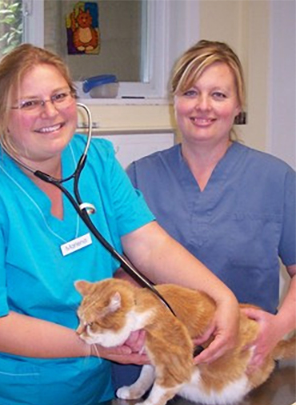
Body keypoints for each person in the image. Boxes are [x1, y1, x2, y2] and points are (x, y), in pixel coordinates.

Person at [0, 44, 240, 405]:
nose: (50, 112)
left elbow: (149, 243)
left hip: (93, 396)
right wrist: (97, 344)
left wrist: (223, 298)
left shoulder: (94, 159)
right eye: (29, 103)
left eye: (60, 96)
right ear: (1, 117)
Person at [126, 40, 296, 371]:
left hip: (241, 364)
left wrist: (279, 327)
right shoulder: (139, 176)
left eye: (218, 95)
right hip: (155, 364)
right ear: (174, 101)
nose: (203, 106)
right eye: (190, 92)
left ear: (238, 105)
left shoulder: (276, 179)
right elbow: (120, 270)